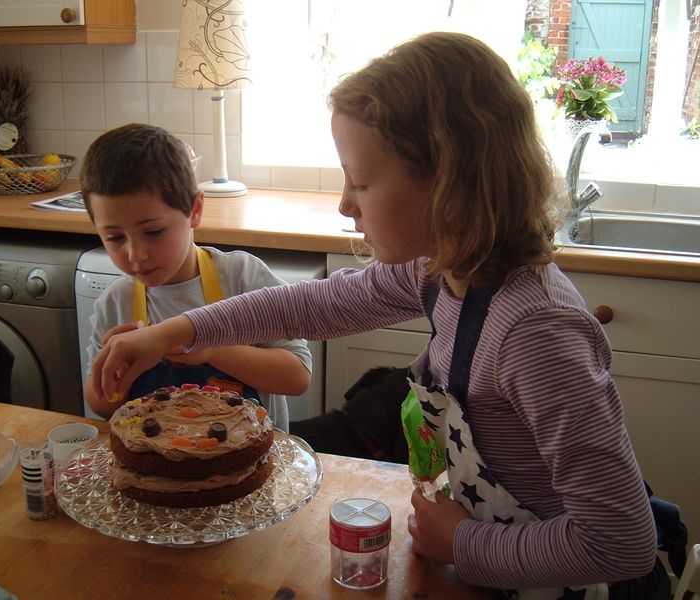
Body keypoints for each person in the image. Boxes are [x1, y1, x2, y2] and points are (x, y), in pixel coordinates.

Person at [89, 35, 665, 597]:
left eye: (361, 182)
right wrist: (178, 330)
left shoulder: (535, 333)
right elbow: (316, 303)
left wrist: (465, 543)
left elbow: (620, 542)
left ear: (449, 183)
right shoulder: (441, 271)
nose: (345, 204)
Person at [79, 123, 311, 431]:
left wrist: (211, 349)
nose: (135, 254)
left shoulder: (241, 278)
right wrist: (119, 370)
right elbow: (100, 406)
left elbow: (297, 377)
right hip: (158, 470)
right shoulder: (116, 302)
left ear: (195, 210)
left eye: (153, 232)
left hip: (250, 467)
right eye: (114, 237)